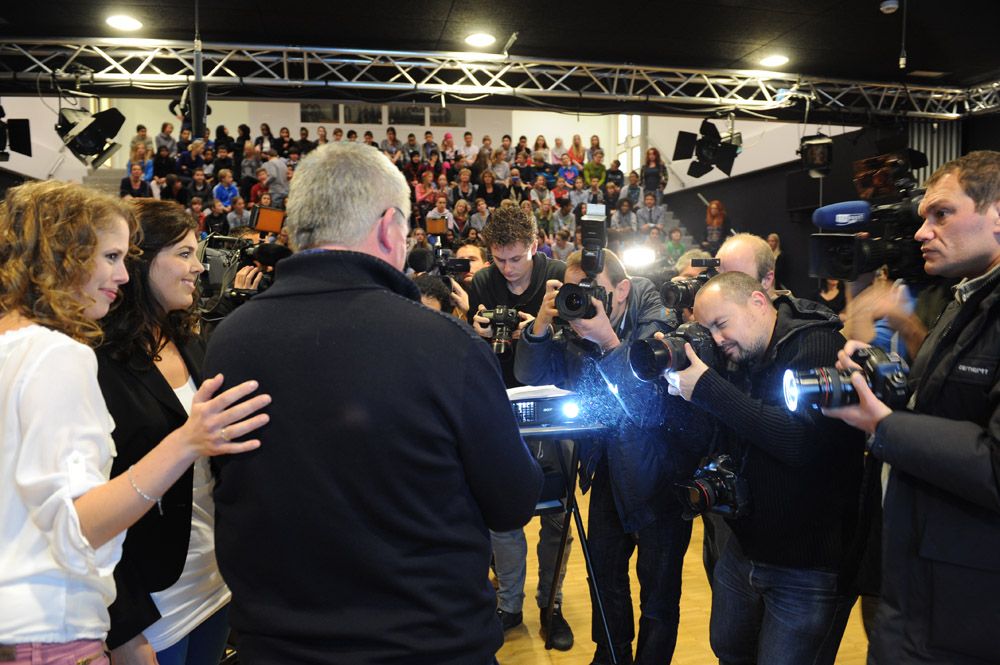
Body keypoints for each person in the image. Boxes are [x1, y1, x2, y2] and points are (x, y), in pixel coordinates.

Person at [203, 141, 543, 665]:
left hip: (277, 645)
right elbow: (513, 502)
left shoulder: (230, 338)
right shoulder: (446, 345)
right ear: (389, 228)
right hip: (429, 645)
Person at [0, 181, 268, 665]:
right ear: (66, 254)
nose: (121, 274)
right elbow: (77, 526)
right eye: (109, 256)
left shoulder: (17, 344)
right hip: (58, 626)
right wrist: (186, 442)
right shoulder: (61, 354)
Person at [824, 150, 1000, 665]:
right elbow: (942, 406)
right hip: (922, 587)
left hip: (964, 614)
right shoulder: (965, 301)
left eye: (941, 214)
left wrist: (885, 425)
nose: (922, 232)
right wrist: (879, 376)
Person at [664, 271, 866, 665]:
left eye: (721, 324)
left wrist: (706, 387)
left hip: (805, 567)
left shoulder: (817, 344)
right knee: (729, 651)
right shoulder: (741, 356)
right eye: (709, 331)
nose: (718, 340)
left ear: (758, 302)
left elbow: (799, 442)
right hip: (744, 549)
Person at [515, 249, 702, 665]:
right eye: (572, 290)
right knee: (604, 576)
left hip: (663, 479)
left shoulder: (660, 325)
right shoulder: (575, 327)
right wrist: (544, 322)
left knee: (658, 592)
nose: (582, 299)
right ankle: (610, 654)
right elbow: (530, 374)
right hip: (607, 471)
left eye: (591, 290)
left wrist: (609, 341)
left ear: (622, 290)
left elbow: (648, 406)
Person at [96, 199, 235, 665]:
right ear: (139, 261)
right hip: (153, 610)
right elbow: (90, 514)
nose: (198, 267)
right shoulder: (95, 360)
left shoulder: (190, 341)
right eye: (183, 254)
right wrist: (126, 632)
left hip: (213, 587)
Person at [466, 207, 574, 650]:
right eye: (499, 259)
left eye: (516, 258)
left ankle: (552, 603)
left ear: (535, 246)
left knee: (557, 513)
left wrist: (542, 330)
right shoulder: (482, 283)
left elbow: (577, 345)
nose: (507, 269)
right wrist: (471, 330)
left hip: (553, 404)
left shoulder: (557, 276)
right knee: (502, 513)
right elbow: (472, 353)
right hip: (499, 405)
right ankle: (508, 605)